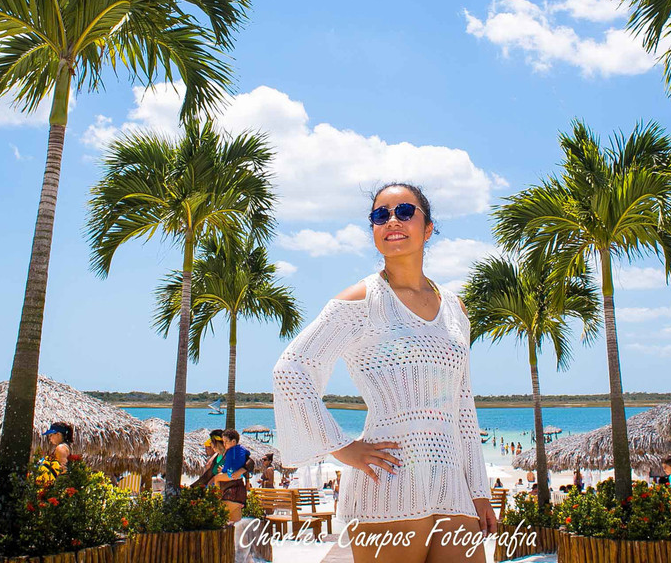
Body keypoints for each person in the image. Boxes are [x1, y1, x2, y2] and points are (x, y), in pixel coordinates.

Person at [273, 183, 496, 562]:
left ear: (428, 228)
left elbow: (462, 406)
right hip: (387, 480)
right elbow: (291, 371)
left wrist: (479, 492)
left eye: (405, 211)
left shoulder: (456, 309)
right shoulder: (361, 301)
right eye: (381, 215)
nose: (393, 220)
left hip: (452, 485)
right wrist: (343, 449)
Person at [212, 429, 253, 523]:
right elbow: (248, 460)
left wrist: (225, 471)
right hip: (239, 493)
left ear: (233, 441)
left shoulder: (231, 451)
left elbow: (231, 467)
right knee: (235, 524)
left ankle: (216, 496)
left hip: (231, 478)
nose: (224, 444)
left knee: (217, 478)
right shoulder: (242, 450)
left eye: (226, 441)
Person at [36, 422, 73, 487]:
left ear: (58, 434)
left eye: (51, 435)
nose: (49, 438)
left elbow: (64, 471)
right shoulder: (64, 447)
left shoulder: (61, 448)